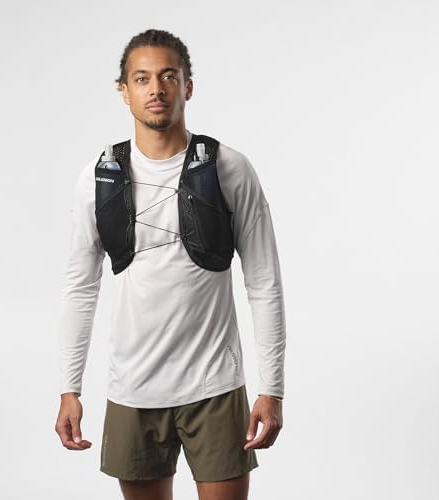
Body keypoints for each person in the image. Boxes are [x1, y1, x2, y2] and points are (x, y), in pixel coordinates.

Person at [55, 28, 286, 500]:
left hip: (215, 386)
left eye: (168, 76)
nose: (156, 89)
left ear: (188, 86)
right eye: (141, 78)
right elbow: (81, 287)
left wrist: (273, 388)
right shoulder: (98, 178)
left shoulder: (229, 168)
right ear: (124, 91)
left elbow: (264, 282)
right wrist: (69, 388)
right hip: (133, 389)